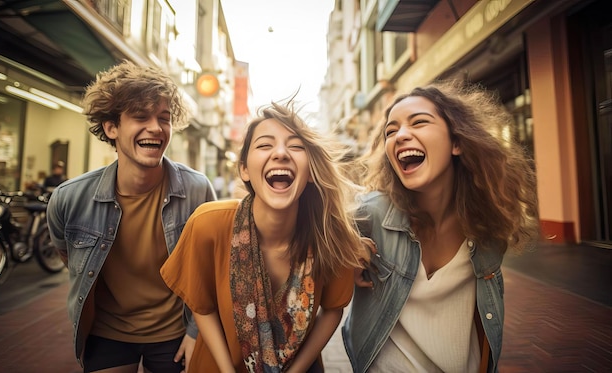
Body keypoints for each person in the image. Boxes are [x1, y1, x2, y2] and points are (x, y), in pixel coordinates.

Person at [342, 80, 540, 373]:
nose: (401, 135)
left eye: (419, 122)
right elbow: (313, 237)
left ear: (457, 142)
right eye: (391, 131)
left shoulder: (486, 228)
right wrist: (344, 246)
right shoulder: (370, 215)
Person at [160, 100, 369, 372]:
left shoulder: (331, 236)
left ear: (310, 172)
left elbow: (332, 309)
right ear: (245, 169)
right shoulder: (208, 224)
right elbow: (202, 306)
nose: (281, 153)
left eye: (295, 146)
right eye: (265, 145)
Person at [46, 60, 216, 373]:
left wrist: (196, 332)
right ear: (111, 128)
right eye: (140, 117)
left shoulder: (196, 189)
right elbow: (68, 255)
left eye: (163, 119)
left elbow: (210, 269)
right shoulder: (69, 198)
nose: (155, 127)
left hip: (175, 333)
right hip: (107, 333)